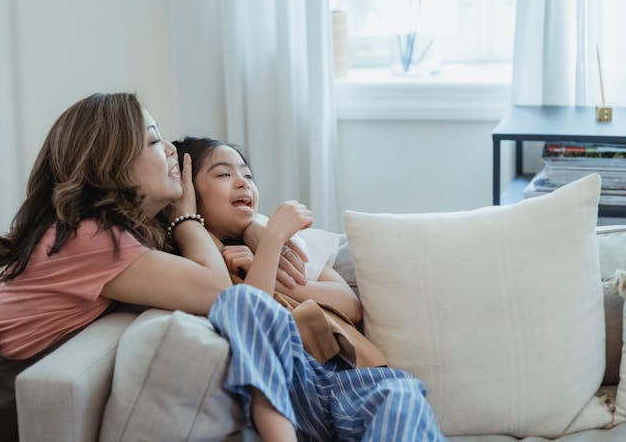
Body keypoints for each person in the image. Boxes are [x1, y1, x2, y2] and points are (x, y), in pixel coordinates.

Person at [0, 93, 234, 442]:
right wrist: (187, 218)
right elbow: (217, 291)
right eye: (155, 139)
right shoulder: (90, 239)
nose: (171, 149)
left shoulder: (102, 234)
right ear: (113, 162)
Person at [173, 136, 447, 442]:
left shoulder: (288, 245)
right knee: (242, 299)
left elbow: (349, 305)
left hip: (352, 382)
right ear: (190, 193)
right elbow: (251, 311)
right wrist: (271, 241)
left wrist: (267, 254)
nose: (242, 183)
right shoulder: (203, 260)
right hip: (291, 389)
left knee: (402, 396)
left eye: (248, 175)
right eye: (224, 174)